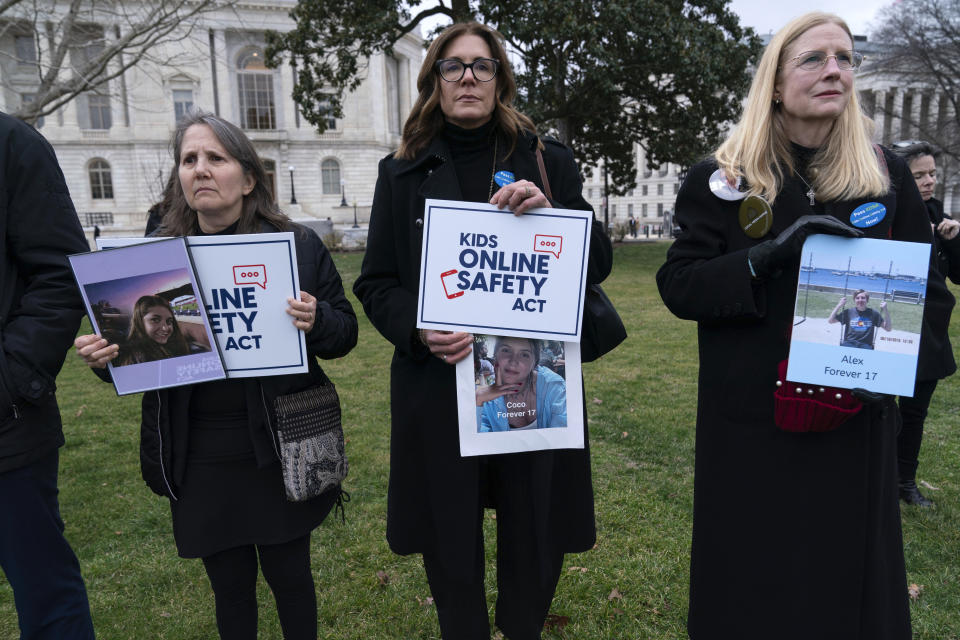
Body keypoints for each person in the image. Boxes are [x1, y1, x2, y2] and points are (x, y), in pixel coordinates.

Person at [656, 12, 953, 640]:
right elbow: (680, 285)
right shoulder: (725, 176)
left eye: (844, 58)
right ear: (775, 77)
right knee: (753, 581)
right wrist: (767, 256)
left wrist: (900, 377)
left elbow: (928, 293)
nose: (834, 71)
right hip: (751, 421)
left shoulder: (886, 174)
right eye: (813, 58)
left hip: (853, 421)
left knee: (844, 583)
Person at [353, 22, 612, 639]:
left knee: (534, 527)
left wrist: (554, 216)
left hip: (532, 377)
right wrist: (418, 330)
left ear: (500, 80)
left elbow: (596, 260)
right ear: (434, 81)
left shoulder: (545, 158)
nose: (467, 77)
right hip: (440, 384)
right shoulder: (402, 169)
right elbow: (376, 282)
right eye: (453, 66)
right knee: (449, 532)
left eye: (481, 66)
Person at [75, 111, 357, 639]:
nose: (200, 170)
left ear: (248, 178)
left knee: (291, 579)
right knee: (229, 590)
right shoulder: (154, 254)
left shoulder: (295, 247)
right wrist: (104, 359)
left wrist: (317, 320)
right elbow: (135, 360)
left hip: (277, 449)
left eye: (215, 158)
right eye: (189, 160)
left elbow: (344, 336)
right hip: (197, 452)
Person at [0, 112, 96, 639]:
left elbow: (60, 274)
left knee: (45, 597)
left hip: (6, 425)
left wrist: (9, 379)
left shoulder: (12, 144)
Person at [891, 141, 960, 506]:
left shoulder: (937, 213)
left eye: (932, 173)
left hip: (929, 330)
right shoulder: (887, 214)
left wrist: (954, 240)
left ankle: (905, 482)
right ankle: (875, 477)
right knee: (880, 409)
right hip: (892, 325)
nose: (929, 181)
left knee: (915, 411)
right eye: (919, 175)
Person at [476, 337, 567, 432]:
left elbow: (562, 436)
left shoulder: (553, 386)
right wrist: (478, 402)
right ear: (495, 356)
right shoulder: (487, 400)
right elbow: (478, 441)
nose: (513, 361)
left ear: (534, 363)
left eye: (524, 355)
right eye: (506, 350)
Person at [114, 295, 192, 366]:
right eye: (155, 320)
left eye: (169, 321)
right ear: (140, 322)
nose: (165, 328)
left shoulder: (174, 346)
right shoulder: (137, 358)